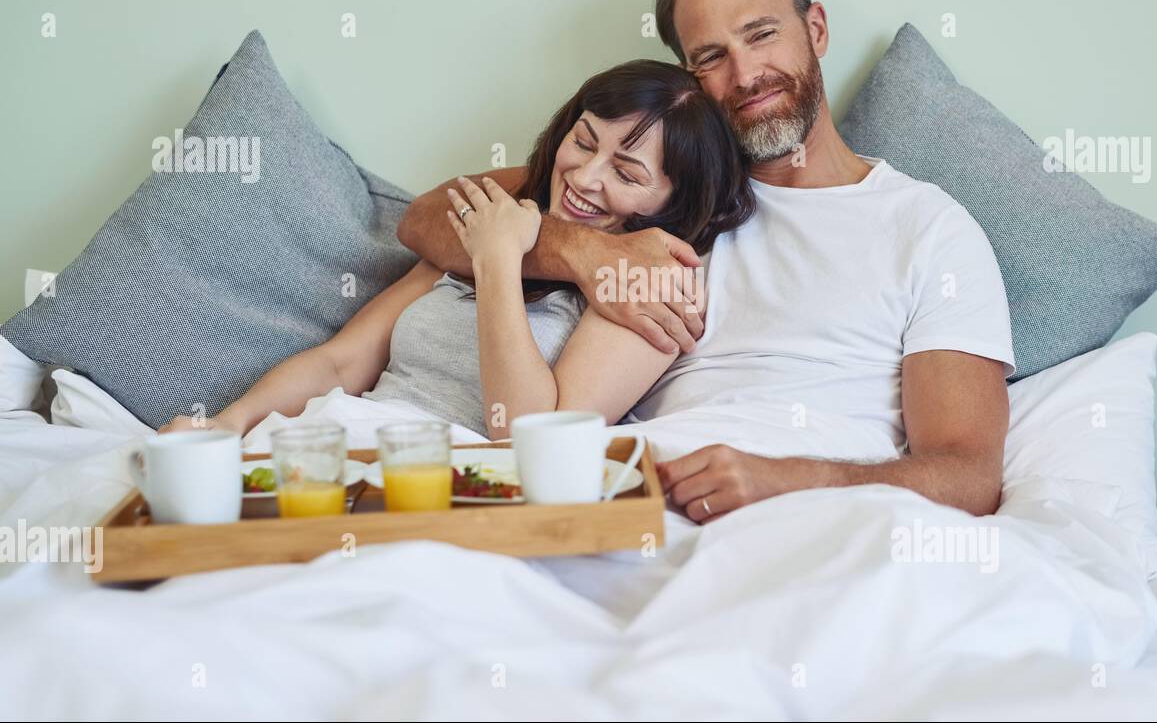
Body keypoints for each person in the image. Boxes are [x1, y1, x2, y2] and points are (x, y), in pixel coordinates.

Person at [396, 0, 1017, 521]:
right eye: (711, 58)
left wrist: (786, 479)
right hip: (647, 507)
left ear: (816, 29)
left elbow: (968, 476)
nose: (745, 75)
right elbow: (426, 219)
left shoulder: (928, 229)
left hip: (816, 516)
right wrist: (582, 251)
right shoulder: (657, 192)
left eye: (761, 35)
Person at [161, 59, 753, 439]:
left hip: (463, 487)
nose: (584, 176)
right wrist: (226, 425)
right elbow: (342, 362)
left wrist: (498, 263)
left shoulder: (648, 290)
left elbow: (528, 439)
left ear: (676, 200)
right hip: (340, 446)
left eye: (626, 172)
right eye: (583, 141)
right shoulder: (504, 219)